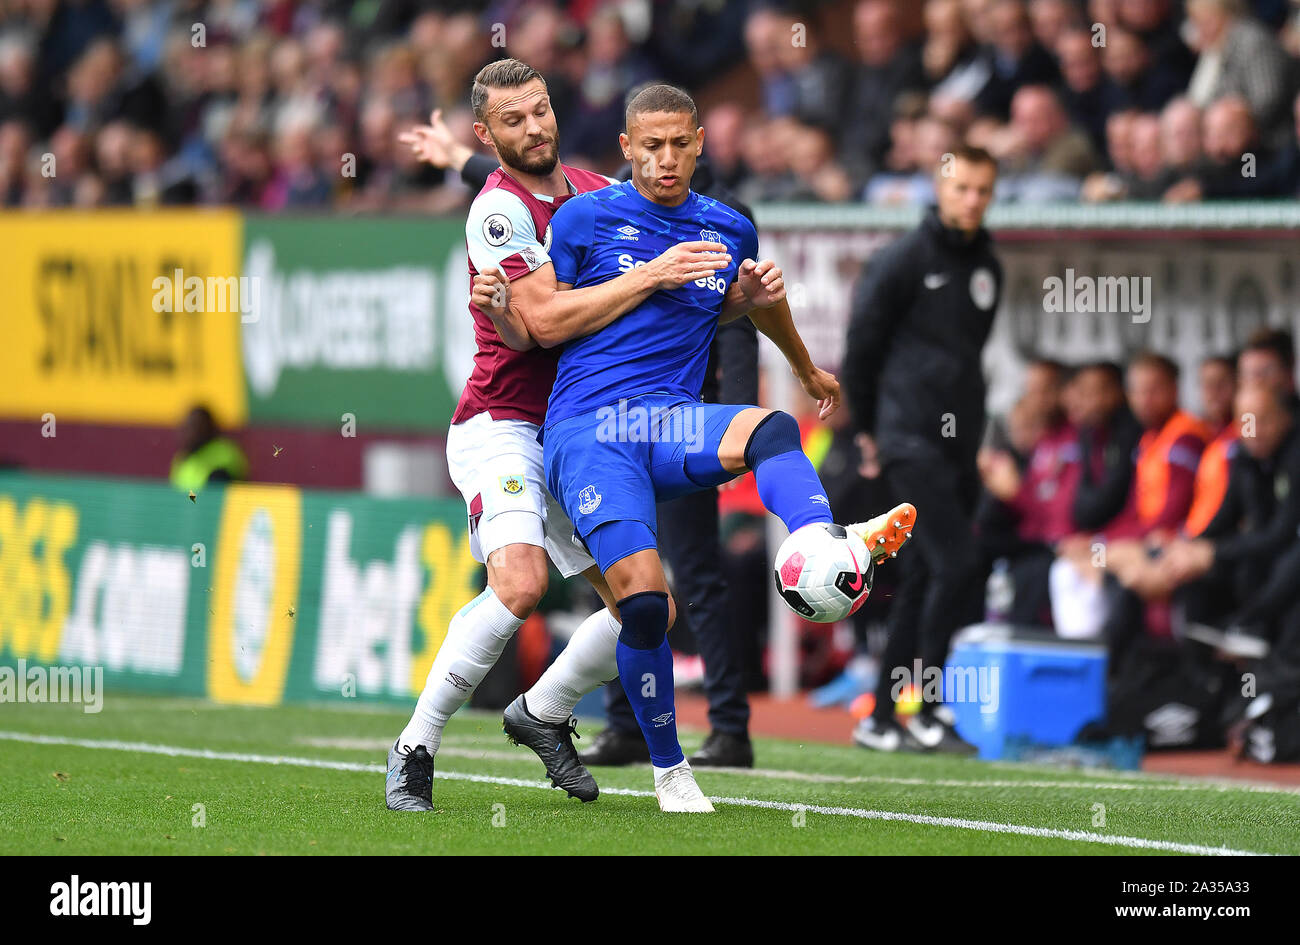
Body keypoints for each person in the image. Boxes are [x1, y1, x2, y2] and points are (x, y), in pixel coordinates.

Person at [474, 83, 915, 811]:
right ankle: (671, 767)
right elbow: (542, 321)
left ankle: (822, 541)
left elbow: (744, 304)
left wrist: (803, 364)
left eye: (680, 143)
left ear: (701, 141)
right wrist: (521, 312)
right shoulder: (585, 218)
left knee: (774, 428)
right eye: (651, 146)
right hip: (590, 433)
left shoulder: (729, 227)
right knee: (648, 605)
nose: (666, 159)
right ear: (626, 148)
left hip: (671, 419)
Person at [385, 60, 733, 812]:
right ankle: (415, 747)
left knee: (647, 611)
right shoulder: (497, 214)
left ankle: (540, 712)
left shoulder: (590, 189)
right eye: (513, 121)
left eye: (540, 110)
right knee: (520, 583)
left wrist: (738, 294)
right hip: (504, 423)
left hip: (582, 433)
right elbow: (541, 324)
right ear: (490, 131)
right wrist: (650, 275)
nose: (535, 127)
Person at [843, 144, 1002, 753]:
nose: (972, 200)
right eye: (963, 188)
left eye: (983, 191)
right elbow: (862, 351)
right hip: (908, 437)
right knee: (959, 563)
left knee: (921, 572)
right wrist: (870, 431)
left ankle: (881, 719)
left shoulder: (988, 263)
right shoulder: (901, 260)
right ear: (940, 187)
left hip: (960, 443)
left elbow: (967, 356)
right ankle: (928, 708)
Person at [169, 406, 248, 493]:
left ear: (208, 428)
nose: (189, 432)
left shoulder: (224, 453)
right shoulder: (182, 459)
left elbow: (219, 492)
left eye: (195, 426)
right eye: (187, 427)